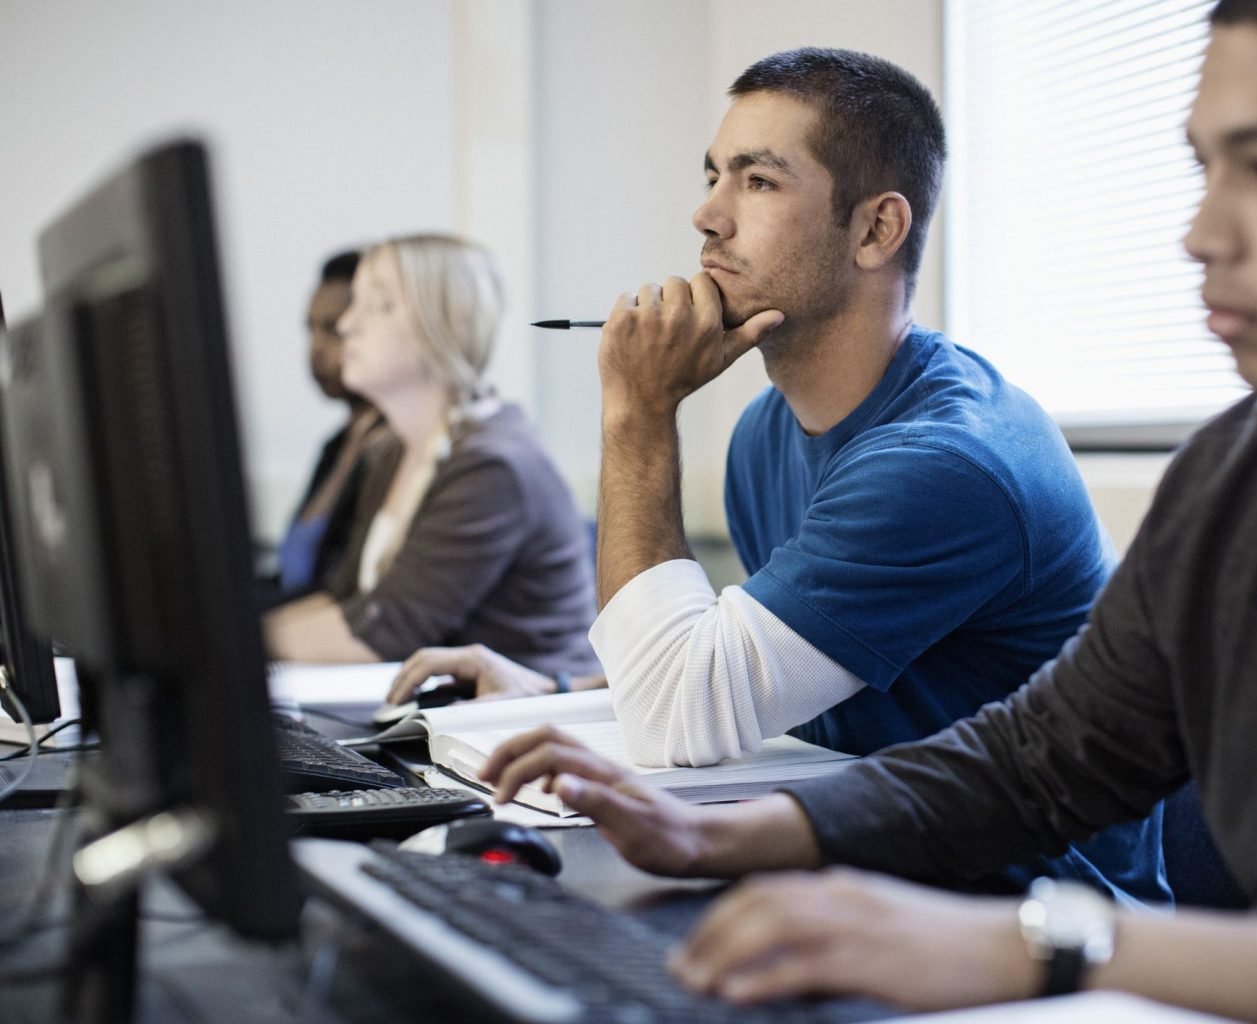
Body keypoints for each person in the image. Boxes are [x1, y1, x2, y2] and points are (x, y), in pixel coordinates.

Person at [476, 3, 1257, 1020]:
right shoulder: (1243, 468)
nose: (1202, 232)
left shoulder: (963, 452)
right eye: (1204, 169)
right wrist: (729, 836)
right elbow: (1044, 754)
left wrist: (1031, 943)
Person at [393, 48, 1167, 905]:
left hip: (1022, 908)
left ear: (877, 230)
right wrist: (555, 690)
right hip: (863, 855)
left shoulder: (942, 464)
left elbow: (674, 717)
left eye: (758, 182)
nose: (706, 216)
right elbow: (771, 665)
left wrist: (639, 414)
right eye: (714, 175)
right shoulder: (768, 431)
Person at [264, 234, 599, 678]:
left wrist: (232, 646)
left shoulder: (492, 465)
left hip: (525, 725)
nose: (347, 326)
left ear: (441, 327)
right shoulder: (390, 451)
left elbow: (386, 630)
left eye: (378, 306)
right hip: (442, 715)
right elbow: (348, 599)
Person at [262, 249, 387, 608]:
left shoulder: (395, 449)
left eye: (334, 330)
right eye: (310, 329)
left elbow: (349, 595)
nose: (315, 350)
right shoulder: (336, 446)